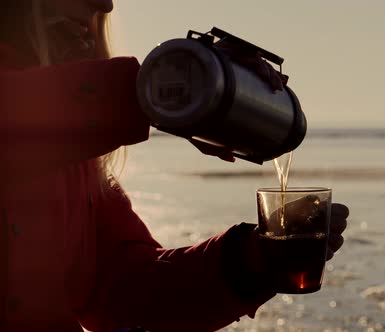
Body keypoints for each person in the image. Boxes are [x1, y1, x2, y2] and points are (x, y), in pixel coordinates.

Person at [0, 0, 349, 331]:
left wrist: (254, 258)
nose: (102, 5)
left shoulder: (78, 163)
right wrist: (172, 81)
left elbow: (125, 286)